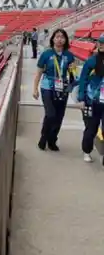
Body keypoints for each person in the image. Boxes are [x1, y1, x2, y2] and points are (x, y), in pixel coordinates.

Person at [33, 28, 76, 151]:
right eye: (57, 36)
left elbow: (73, 76)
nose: (59, 39)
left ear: (66, 40)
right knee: (50, 114)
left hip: (63, 88)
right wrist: (35, 89)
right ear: (52, 39)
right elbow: (38, 73)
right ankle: (44, 137)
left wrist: (72, 70)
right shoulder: (46, 54)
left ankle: (52, 140)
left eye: (62, 37)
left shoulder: (69, 55)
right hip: (47, 86)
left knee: (59, 116)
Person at [77, 35, 104, 163]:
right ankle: (87, 151)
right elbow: (83, 80)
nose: (101, 45)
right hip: (91, 100)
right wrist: (81, 98)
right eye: (100, 42)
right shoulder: (91, 61)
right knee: (91, 128)